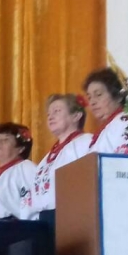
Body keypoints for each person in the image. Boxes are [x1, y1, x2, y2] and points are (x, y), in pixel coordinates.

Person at [32, 94, 93, 224]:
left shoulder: (86, 143)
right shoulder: (48, 157)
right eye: (48, 114)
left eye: (57, 111)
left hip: (71, 216)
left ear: (76, 116)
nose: (50, 117)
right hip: (45, 219)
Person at [84, 67, 128, 155]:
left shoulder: (124, 122)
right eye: (89, 97)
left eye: (98, 95)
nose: (92, 102)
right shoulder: (109, 126)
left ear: (118, 96)